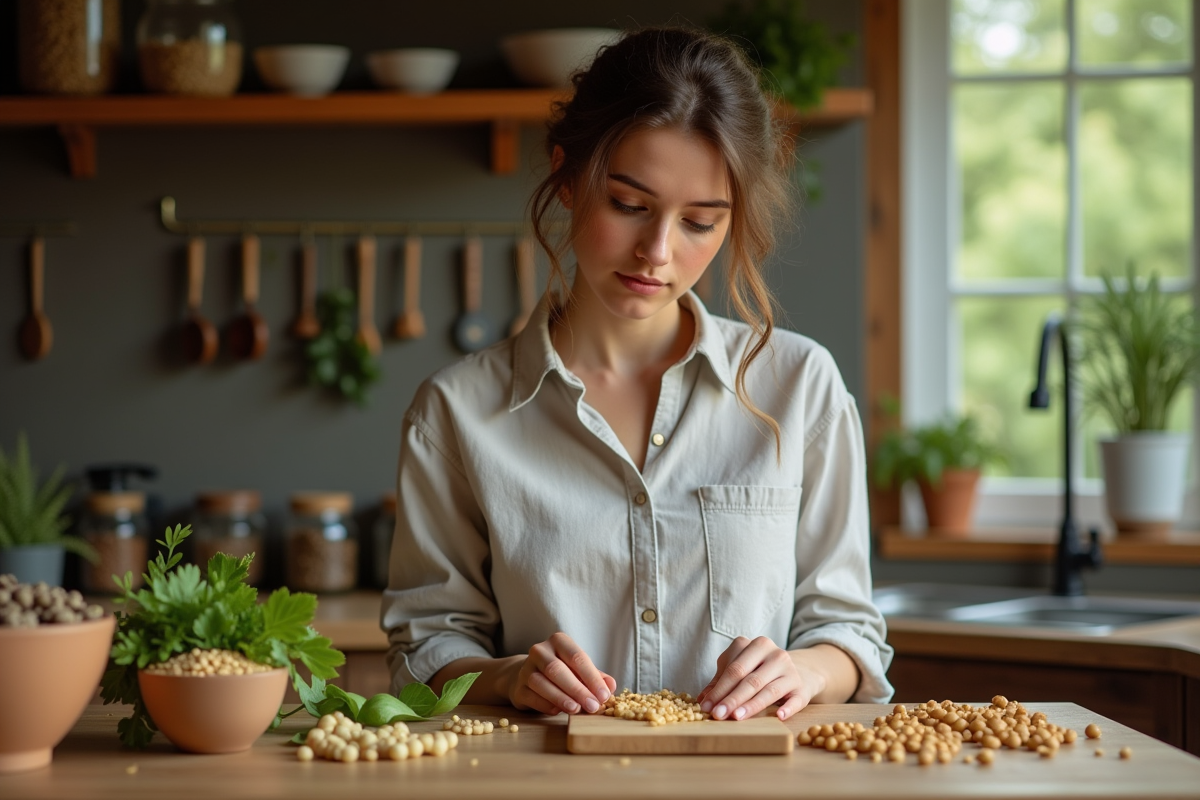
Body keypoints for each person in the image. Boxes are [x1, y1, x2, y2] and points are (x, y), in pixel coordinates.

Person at [382, 26, 893, 723]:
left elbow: (849, 634)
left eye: (701, 223)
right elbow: (425, 648)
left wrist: (801, 669)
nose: (657, 251)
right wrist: (506, 678)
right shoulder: (456, 412)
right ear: (567, 178)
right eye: (629, 205)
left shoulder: (800, 386)